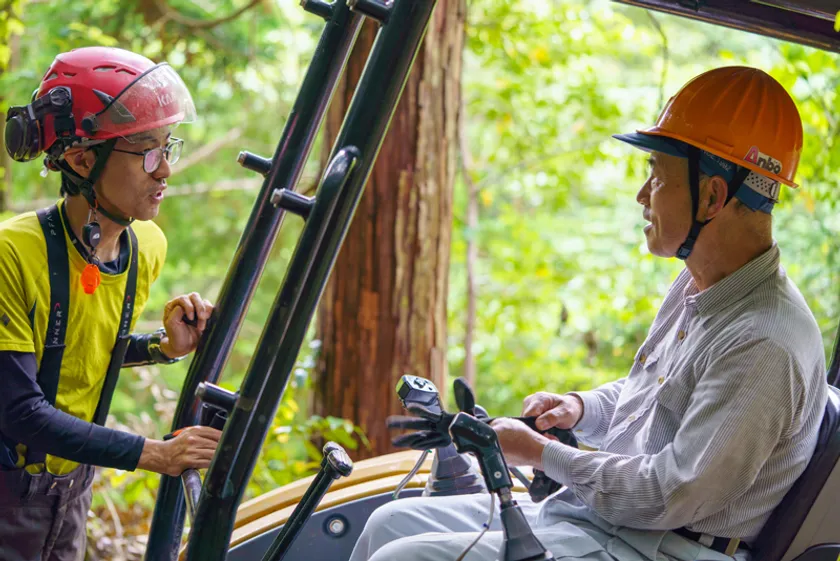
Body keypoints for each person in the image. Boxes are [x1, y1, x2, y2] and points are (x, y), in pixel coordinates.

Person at [348, 66, 829, 561]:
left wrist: (541, 454)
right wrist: (581, 408)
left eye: (657, 176)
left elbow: (670, 494)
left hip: (664, 548)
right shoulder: (703, 284)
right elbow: (666, 395)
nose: (643, 195)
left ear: (712, 195)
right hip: (608, 523)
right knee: (390, 523)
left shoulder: (765, 341)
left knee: (400, 558)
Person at [0, 46, 222, 561]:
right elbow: (19, 409)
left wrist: (161, 347)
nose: (165, 168)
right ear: (81, 158)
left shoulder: (147, 248)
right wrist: (152, 454)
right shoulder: (14, 255)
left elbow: (78, 353)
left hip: (74, 493)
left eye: (169, 147)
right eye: (147, 151)